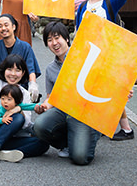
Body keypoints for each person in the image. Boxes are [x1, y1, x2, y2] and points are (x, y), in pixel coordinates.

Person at [75, 0, 137, 140]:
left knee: (112, 91)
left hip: (107, 55)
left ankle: (126, 129)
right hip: (89, 55)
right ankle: (100, 124)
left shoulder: (109, 3)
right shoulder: (83, 6)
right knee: (93, 89)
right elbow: (78, 30)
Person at [32, 21, 102, 165]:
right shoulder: (51, 69)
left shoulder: (84, 58)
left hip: (84, 113)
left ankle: (92, 134)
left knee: (80, 158)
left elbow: (104, 82)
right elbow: (51, 97)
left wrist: (122, 93)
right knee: (39, 125)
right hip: (63, 110)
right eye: (49, 40)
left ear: (67, 39)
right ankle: (68, 143)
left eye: (57, 38)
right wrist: (44, 107)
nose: (54, 43)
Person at [0, 54, 49, 165]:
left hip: (7, 134)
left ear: (23, 73)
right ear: (4, 70)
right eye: (9, 69)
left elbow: (25, 124)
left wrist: (16, 109)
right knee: (18, 117)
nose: (13, 74)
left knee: (42, 144)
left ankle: (0, 151)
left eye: (17, 70)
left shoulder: (24, 94)